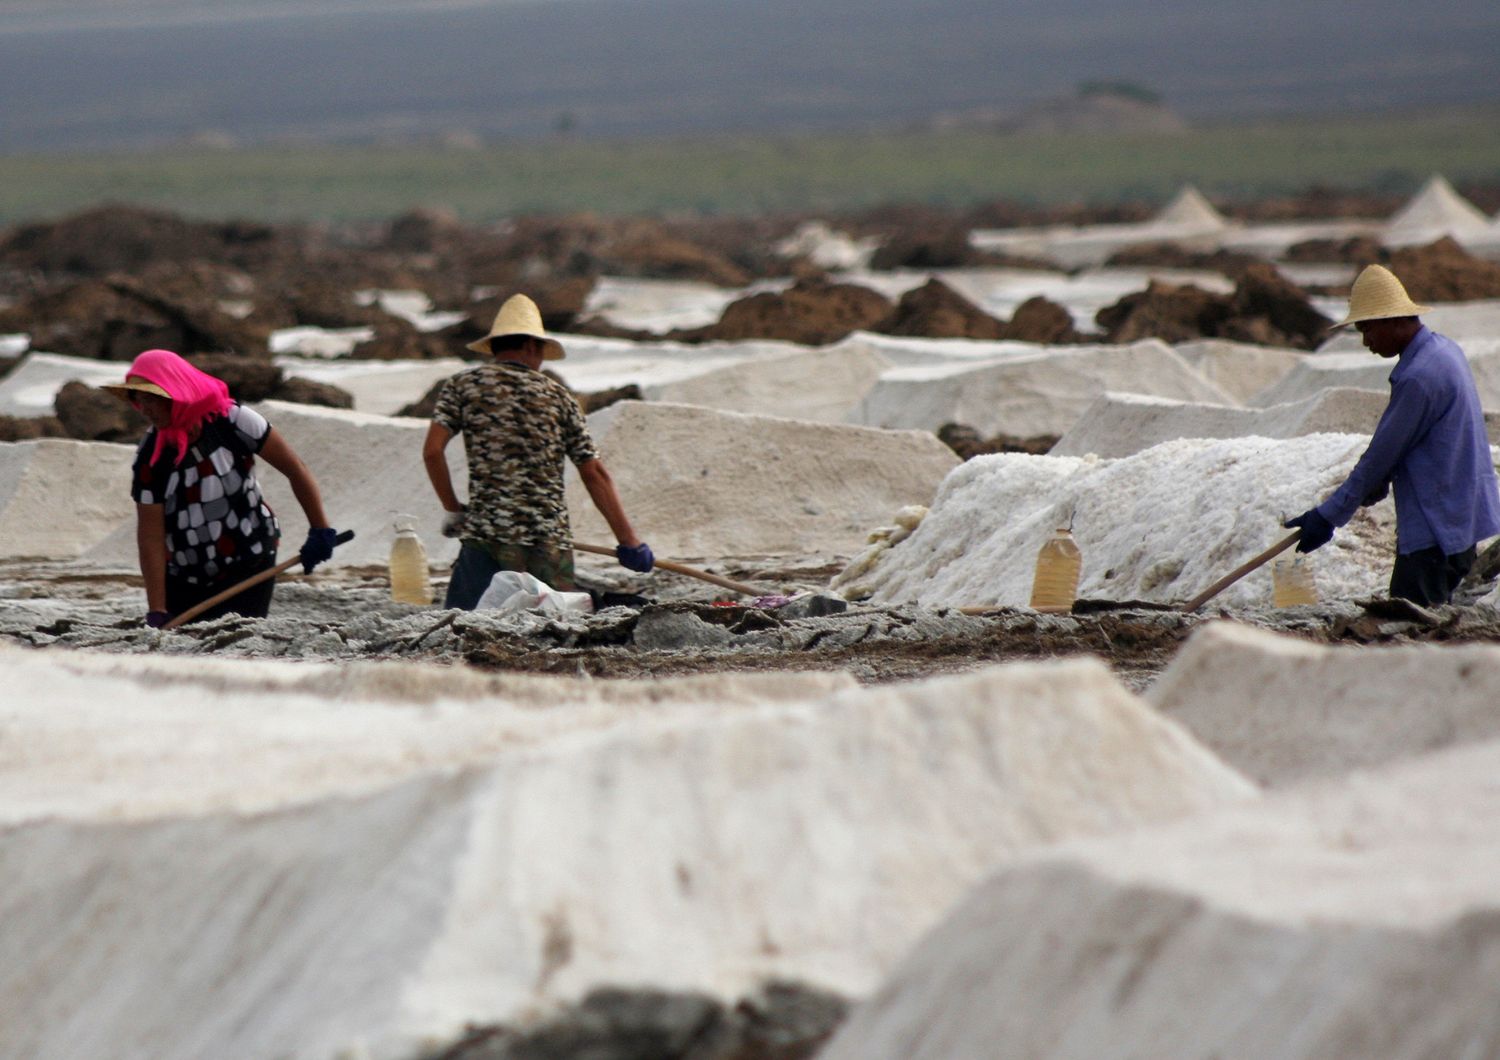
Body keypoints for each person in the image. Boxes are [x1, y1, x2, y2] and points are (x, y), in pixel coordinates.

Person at [1284, 264, 1500, 606]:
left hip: (1435, 533)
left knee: (1410, 634)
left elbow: (1379, 455)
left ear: (1394, 320)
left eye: (1368, 329)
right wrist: (1379, 481)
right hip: (1460, 518)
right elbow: (1409, 445)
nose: (1366, 341)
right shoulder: (1445, 351)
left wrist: (1327, 517)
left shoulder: (1418, 377)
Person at [422, 292, 654, 609]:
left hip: (487, 538)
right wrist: (629, 541)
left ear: (494, 347)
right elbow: (593, 472)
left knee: (462, 629)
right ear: (532, 346)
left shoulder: (463, 386)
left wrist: (453, 508)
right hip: (547, 542)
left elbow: (432, 452)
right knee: (554, 629)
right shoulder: (560, 398)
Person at [103, 348, 342, 628]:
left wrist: (320, 530)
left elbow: (295, 469)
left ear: (176, 391)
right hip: (184, 571)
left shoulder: (234, 421)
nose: (145, 409)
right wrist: (157, 608)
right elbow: (150, 535)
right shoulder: (152, 456)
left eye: (152, 399)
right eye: (138, 399)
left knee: (242, 641)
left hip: (249, 557)